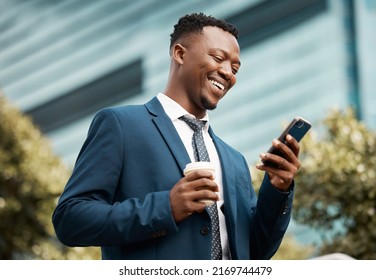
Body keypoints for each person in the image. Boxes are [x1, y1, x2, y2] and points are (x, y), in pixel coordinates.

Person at [52, 12, 301, 260]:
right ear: (180, 54)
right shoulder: (121, 126)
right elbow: (71, 219)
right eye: (218, 58)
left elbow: (255, 252)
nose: (228, 73)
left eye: (235, 68)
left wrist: (278, 188)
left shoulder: (234, 161)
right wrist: (166, 208)